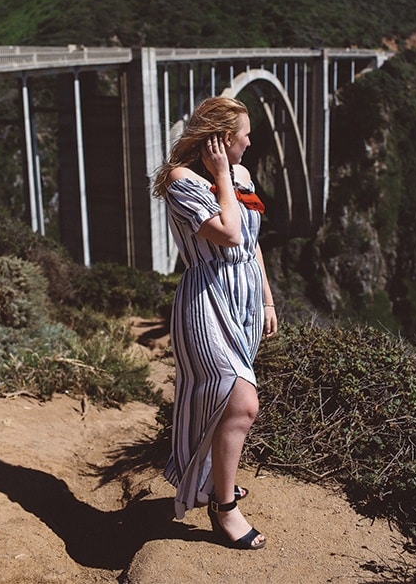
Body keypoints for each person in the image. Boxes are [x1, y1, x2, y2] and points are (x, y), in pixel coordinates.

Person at [151, 96, 277, 550]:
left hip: (242, 304)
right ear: (222, 141)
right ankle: (225, 511)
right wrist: (222, 174)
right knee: (241, 402)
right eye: (243, 132)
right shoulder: (182, 181)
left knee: (227, 404)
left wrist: (265, 298)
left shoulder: (240, 176)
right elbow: (228, 233)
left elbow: (253, 243)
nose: (250, 139)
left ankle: (214, 484)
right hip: (205, 303)